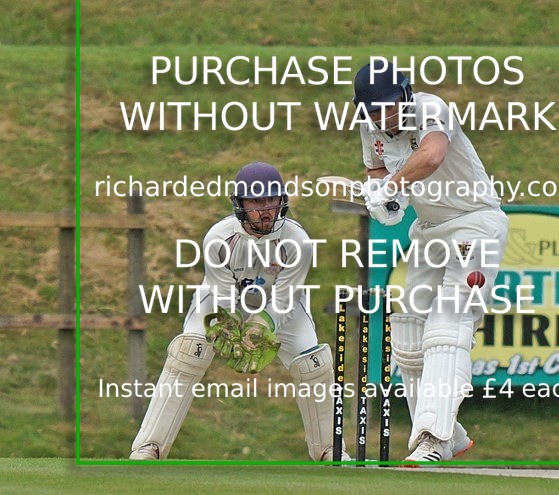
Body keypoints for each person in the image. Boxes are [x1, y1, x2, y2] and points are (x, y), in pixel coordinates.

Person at [130, 161, 347, 461]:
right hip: (221, 300)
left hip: (278, 304)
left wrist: (261, 325)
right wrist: (234, 332)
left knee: (313, 364)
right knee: (188, 351)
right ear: (240, 204)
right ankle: (148, 447)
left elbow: (285, 297)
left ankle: (330, 451)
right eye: (257, 201)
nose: (266, 209)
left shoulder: (298, 241)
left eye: (271, 199)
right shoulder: (218, 239)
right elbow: (221, 295)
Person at [352, 61, 509, 463]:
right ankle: (450, 433)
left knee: (448, 325)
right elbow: (376, 168)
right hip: (428, 229)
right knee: (406, 331)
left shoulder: (430, 108)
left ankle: (433, 439)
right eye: (372, 110)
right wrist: (384, 199)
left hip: (474, 224)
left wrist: (391, 185)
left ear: (405, 93)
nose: (383, 117)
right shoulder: (371, 127)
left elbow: (432, 155)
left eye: (389, 106)